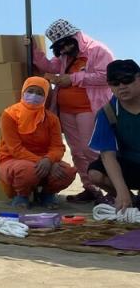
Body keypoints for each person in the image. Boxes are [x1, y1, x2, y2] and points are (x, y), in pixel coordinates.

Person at [33, 18, 114, 203]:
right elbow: (52, 66)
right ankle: (90, 188)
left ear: (73, 39)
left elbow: (106, 76)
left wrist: (73, 79)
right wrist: (34, 54)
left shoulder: (97, 50)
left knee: (90, 150)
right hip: (67, 110)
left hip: (88, 108)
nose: (62, 52)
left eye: (64, 47)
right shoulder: (65, 53)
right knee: (77, 152)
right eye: (59, 49)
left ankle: (111, 188)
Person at [0, 77, 76, 208]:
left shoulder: (51, 118)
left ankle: (47, 194)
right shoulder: (9, 114)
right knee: (27, 170)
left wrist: (49, 160)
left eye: (39, 93)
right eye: (31, 91)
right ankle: (21, 195)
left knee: (68, 172)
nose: (34, 96)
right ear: (23, 91)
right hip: (13, 159)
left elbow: (57, 147)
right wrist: (44, 162)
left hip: (45, 160)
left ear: (45, 96)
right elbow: (15, 149)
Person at [87, 59, 140, 211]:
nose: (122, 87)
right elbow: (107, 155)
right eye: (115, 83)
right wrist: (122, 191)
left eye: (127, 80)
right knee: (95, 173)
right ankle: (130, 200)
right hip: (129, 164)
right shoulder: (107, 113)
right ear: (109, 86)